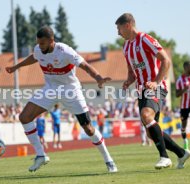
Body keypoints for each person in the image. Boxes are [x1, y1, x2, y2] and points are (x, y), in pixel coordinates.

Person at [6, 26, 117, 173]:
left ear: (52, 40)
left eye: (43, 43)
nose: (40, 46)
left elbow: (85, 65)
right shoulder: (39, 49)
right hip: (50, 89)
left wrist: (98, 78)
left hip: (70, 90)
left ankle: (109, 160)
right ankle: (41, 155)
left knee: (88, 128)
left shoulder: (65, 51)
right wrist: (16, 67)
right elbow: (34, 56)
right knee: (24, 117)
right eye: (38, 43)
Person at [115, 13, 190, 169]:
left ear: (128, 25)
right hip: (141, 90)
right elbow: (132, 70)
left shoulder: (145, 39)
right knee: (151, 132)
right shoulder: (126, 47)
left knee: (146, 115)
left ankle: (164, 157)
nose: (118, 32)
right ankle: (181, 153)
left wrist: (156, 82)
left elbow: (166, 60)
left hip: (156, 87)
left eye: (119, 28)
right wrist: (129, 80)